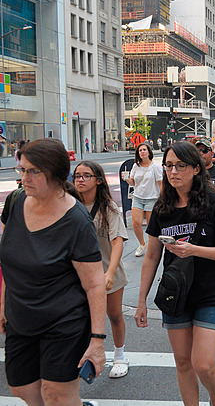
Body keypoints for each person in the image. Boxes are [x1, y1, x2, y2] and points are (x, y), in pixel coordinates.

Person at [0, 139, 105, 406]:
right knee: (22, 388)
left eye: (33, 171)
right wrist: (3, 305)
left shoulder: (76, 221)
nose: (25, 178)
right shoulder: (14, 202)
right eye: (21, 170)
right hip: (21, 317)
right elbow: (9, 261)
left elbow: (94, 284)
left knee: (57, 395)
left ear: (55, 173)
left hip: (64, 321)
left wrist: (97, 340)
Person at [134, 141, 215, 406]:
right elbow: (152, 256)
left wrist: (194, 249)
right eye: (168, 165)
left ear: (195, 169)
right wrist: (141, 300)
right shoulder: (162, 207)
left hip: (212, 292)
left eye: (180, 166)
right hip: (176, 293)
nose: (173, 171)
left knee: (203, 364)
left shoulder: (213, 202)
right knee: (182, 362)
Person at [74, 161, 130, 379]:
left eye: (86, 176)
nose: (80, 179)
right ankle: (88, 355)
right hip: (80, 276)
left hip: (108, 271)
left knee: (114, 315)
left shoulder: (109, 208)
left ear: (98, 180)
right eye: (77, 176)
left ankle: (120, 356)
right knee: (84, 318)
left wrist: (110, 272)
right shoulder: (68, 205)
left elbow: (117, 241)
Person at [121, 142, 163, 257]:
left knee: (151, 225)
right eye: (140, 150)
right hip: (138, 197)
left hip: (152, 198)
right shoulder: (136, 166)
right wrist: (126, 179)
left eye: (144, 150)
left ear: (149, 152)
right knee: (136, 223)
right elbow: (133, 182)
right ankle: (142, 244)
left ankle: (152, 247)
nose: (142, 152)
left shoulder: (155, 167)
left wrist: (163, 199)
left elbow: (161, 184)